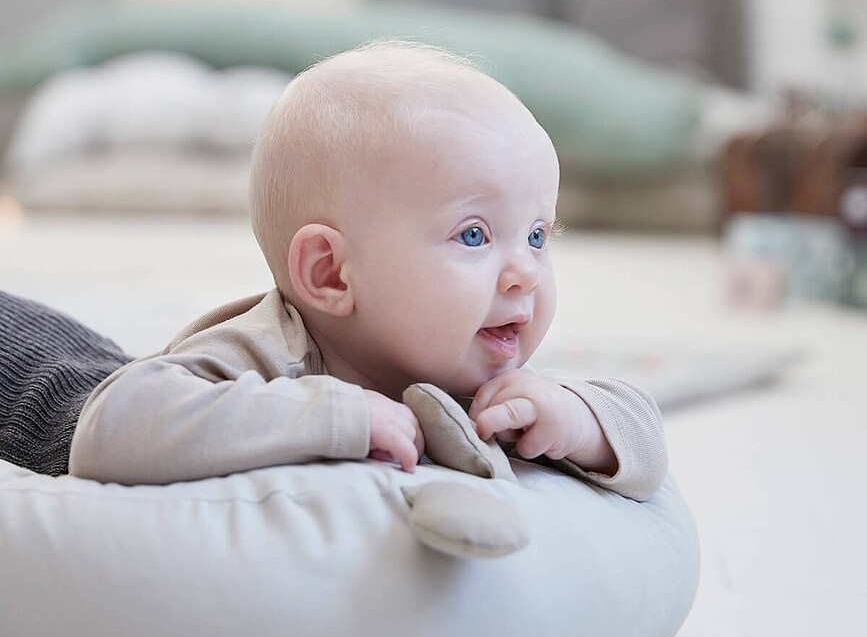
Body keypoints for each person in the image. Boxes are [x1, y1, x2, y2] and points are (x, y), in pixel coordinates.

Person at [69, 40, 667, 501]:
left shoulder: (484, 368)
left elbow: (643, 429)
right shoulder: (266, 355)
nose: (526, 274)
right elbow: (109, 426)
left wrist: (577, 420)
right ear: (331, 274)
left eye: (538, 236)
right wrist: (336, 417)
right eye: (475, 235)